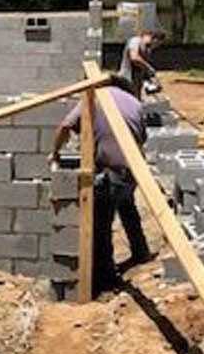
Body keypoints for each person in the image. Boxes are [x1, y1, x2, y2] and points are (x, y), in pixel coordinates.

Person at [49, 81, 151, 296]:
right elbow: (142, 138)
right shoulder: (135, 102)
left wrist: (56, 152)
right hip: (133, 170)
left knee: (100, 226)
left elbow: (65, 126)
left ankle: (105, 279)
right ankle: (141, 252)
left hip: (109, 173)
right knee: (127, 206)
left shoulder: (93, 98)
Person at [117, 24, 160, 98]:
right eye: (156, 43)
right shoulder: (135, 41)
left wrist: (151, 81)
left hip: (136, 84)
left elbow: (141, 68)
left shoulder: (147, 49)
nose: (155, 46)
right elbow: (134, 57)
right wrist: (148, 67)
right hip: (126, 80)